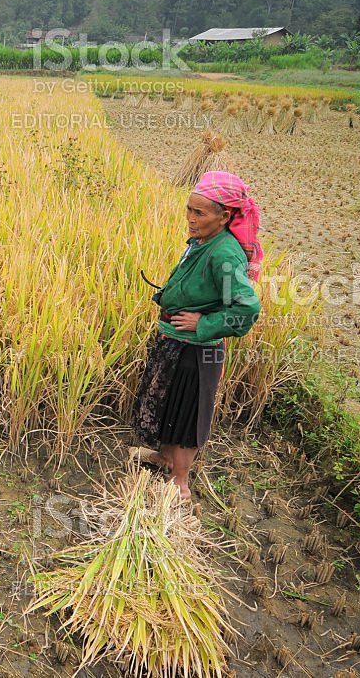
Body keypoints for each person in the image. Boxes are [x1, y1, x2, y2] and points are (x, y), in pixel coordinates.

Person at [131, 170, 263, 501]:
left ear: (225, 216)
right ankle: (164, 458)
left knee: (188, 412)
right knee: (168, 405)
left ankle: (180, 482)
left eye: (199, 213)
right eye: (189, 209)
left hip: (198, 351)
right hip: (178, 343)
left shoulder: (224, 254)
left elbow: (246, 309)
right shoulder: (205, 241)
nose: (190, 218)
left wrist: (203, 324)